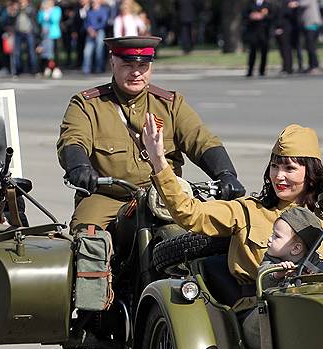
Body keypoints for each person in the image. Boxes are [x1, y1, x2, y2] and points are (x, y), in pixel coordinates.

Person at [57, 36, 245, 231]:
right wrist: (79, 167)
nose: (136, 73)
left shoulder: (170, 104)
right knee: (89, 244)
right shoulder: (87, 105)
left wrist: (225, 174)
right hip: (107, 197)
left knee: (207, 237)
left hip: (165, 195)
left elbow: (201, 140)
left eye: (143, 65)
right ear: (112, 62)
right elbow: (73, 139)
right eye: (128, 65)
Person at [142, 121, 323, 289]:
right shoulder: (247, 211)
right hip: (258, 310)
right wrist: (159, 161)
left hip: (316, 307)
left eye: (289, 168)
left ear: (311, 173)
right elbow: (189, 213)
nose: (279, 176)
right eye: (274, 167)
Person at [241, 207, 323, 349]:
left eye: (276, 236)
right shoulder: (272, 259)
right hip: (270, 313)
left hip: (300, 315)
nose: (269, 239)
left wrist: (313, 277)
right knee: (252, 325)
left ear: (296, 249)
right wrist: (278, 274)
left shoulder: (313, 262)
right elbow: (263, 276)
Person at [243, 1, 274, 77]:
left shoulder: (268, 5)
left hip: (264, 32)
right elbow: (244, 15)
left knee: (264, 52)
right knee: (252, 52)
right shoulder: (250, 4)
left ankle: (262, 71)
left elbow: (272, 16)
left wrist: (262, 16)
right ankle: (250, 71)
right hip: (253, 31)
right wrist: (251, 16)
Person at [83, 0, 111, 74]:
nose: (93, 2)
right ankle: (86, 68)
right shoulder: (89, 11)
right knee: (87, 51)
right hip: (90, 32)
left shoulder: (103, 11)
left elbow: (104, 22)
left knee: (99, 50)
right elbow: (86, 22)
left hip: (100, 32)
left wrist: (95, 29)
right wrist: (89, 29)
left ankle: (99, 68)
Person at [37, 0, 63, 78]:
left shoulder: (57, 9)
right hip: (45, 35)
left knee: (55, 52)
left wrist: (49, 12)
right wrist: (43, 11)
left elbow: (55, 20)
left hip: (54, 34)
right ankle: (47, 67)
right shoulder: (43, 10)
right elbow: (39, 20)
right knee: (46, 52)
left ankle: (56, 68)